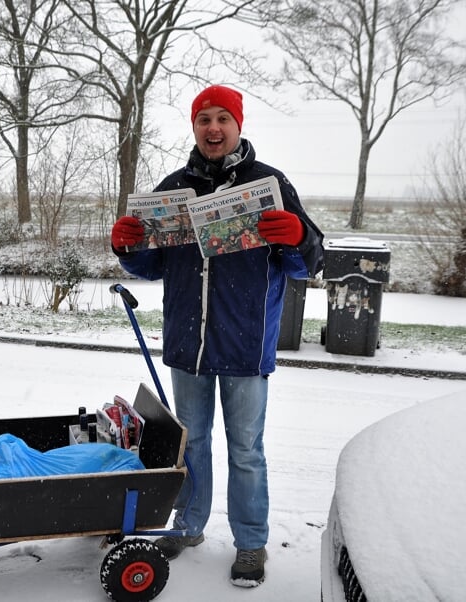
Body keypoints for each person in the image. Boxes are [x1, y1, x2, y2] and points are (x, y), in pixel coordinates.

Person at [110, 84, 324, 587]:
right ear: (194, 126)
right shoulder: (172, 187)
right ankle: (188, 526)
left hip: (246, 345)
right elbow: (153, 264)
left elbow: (306, 260)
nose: (213, 128)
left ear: (238, 125)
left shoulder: (269, 182)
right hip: (188, 345)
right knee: (193, 442)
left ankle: (251, 544)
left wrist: (297, 236)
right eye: (204, 118)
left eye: (222, 118)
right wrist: (129, 248)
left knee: (246, 449)